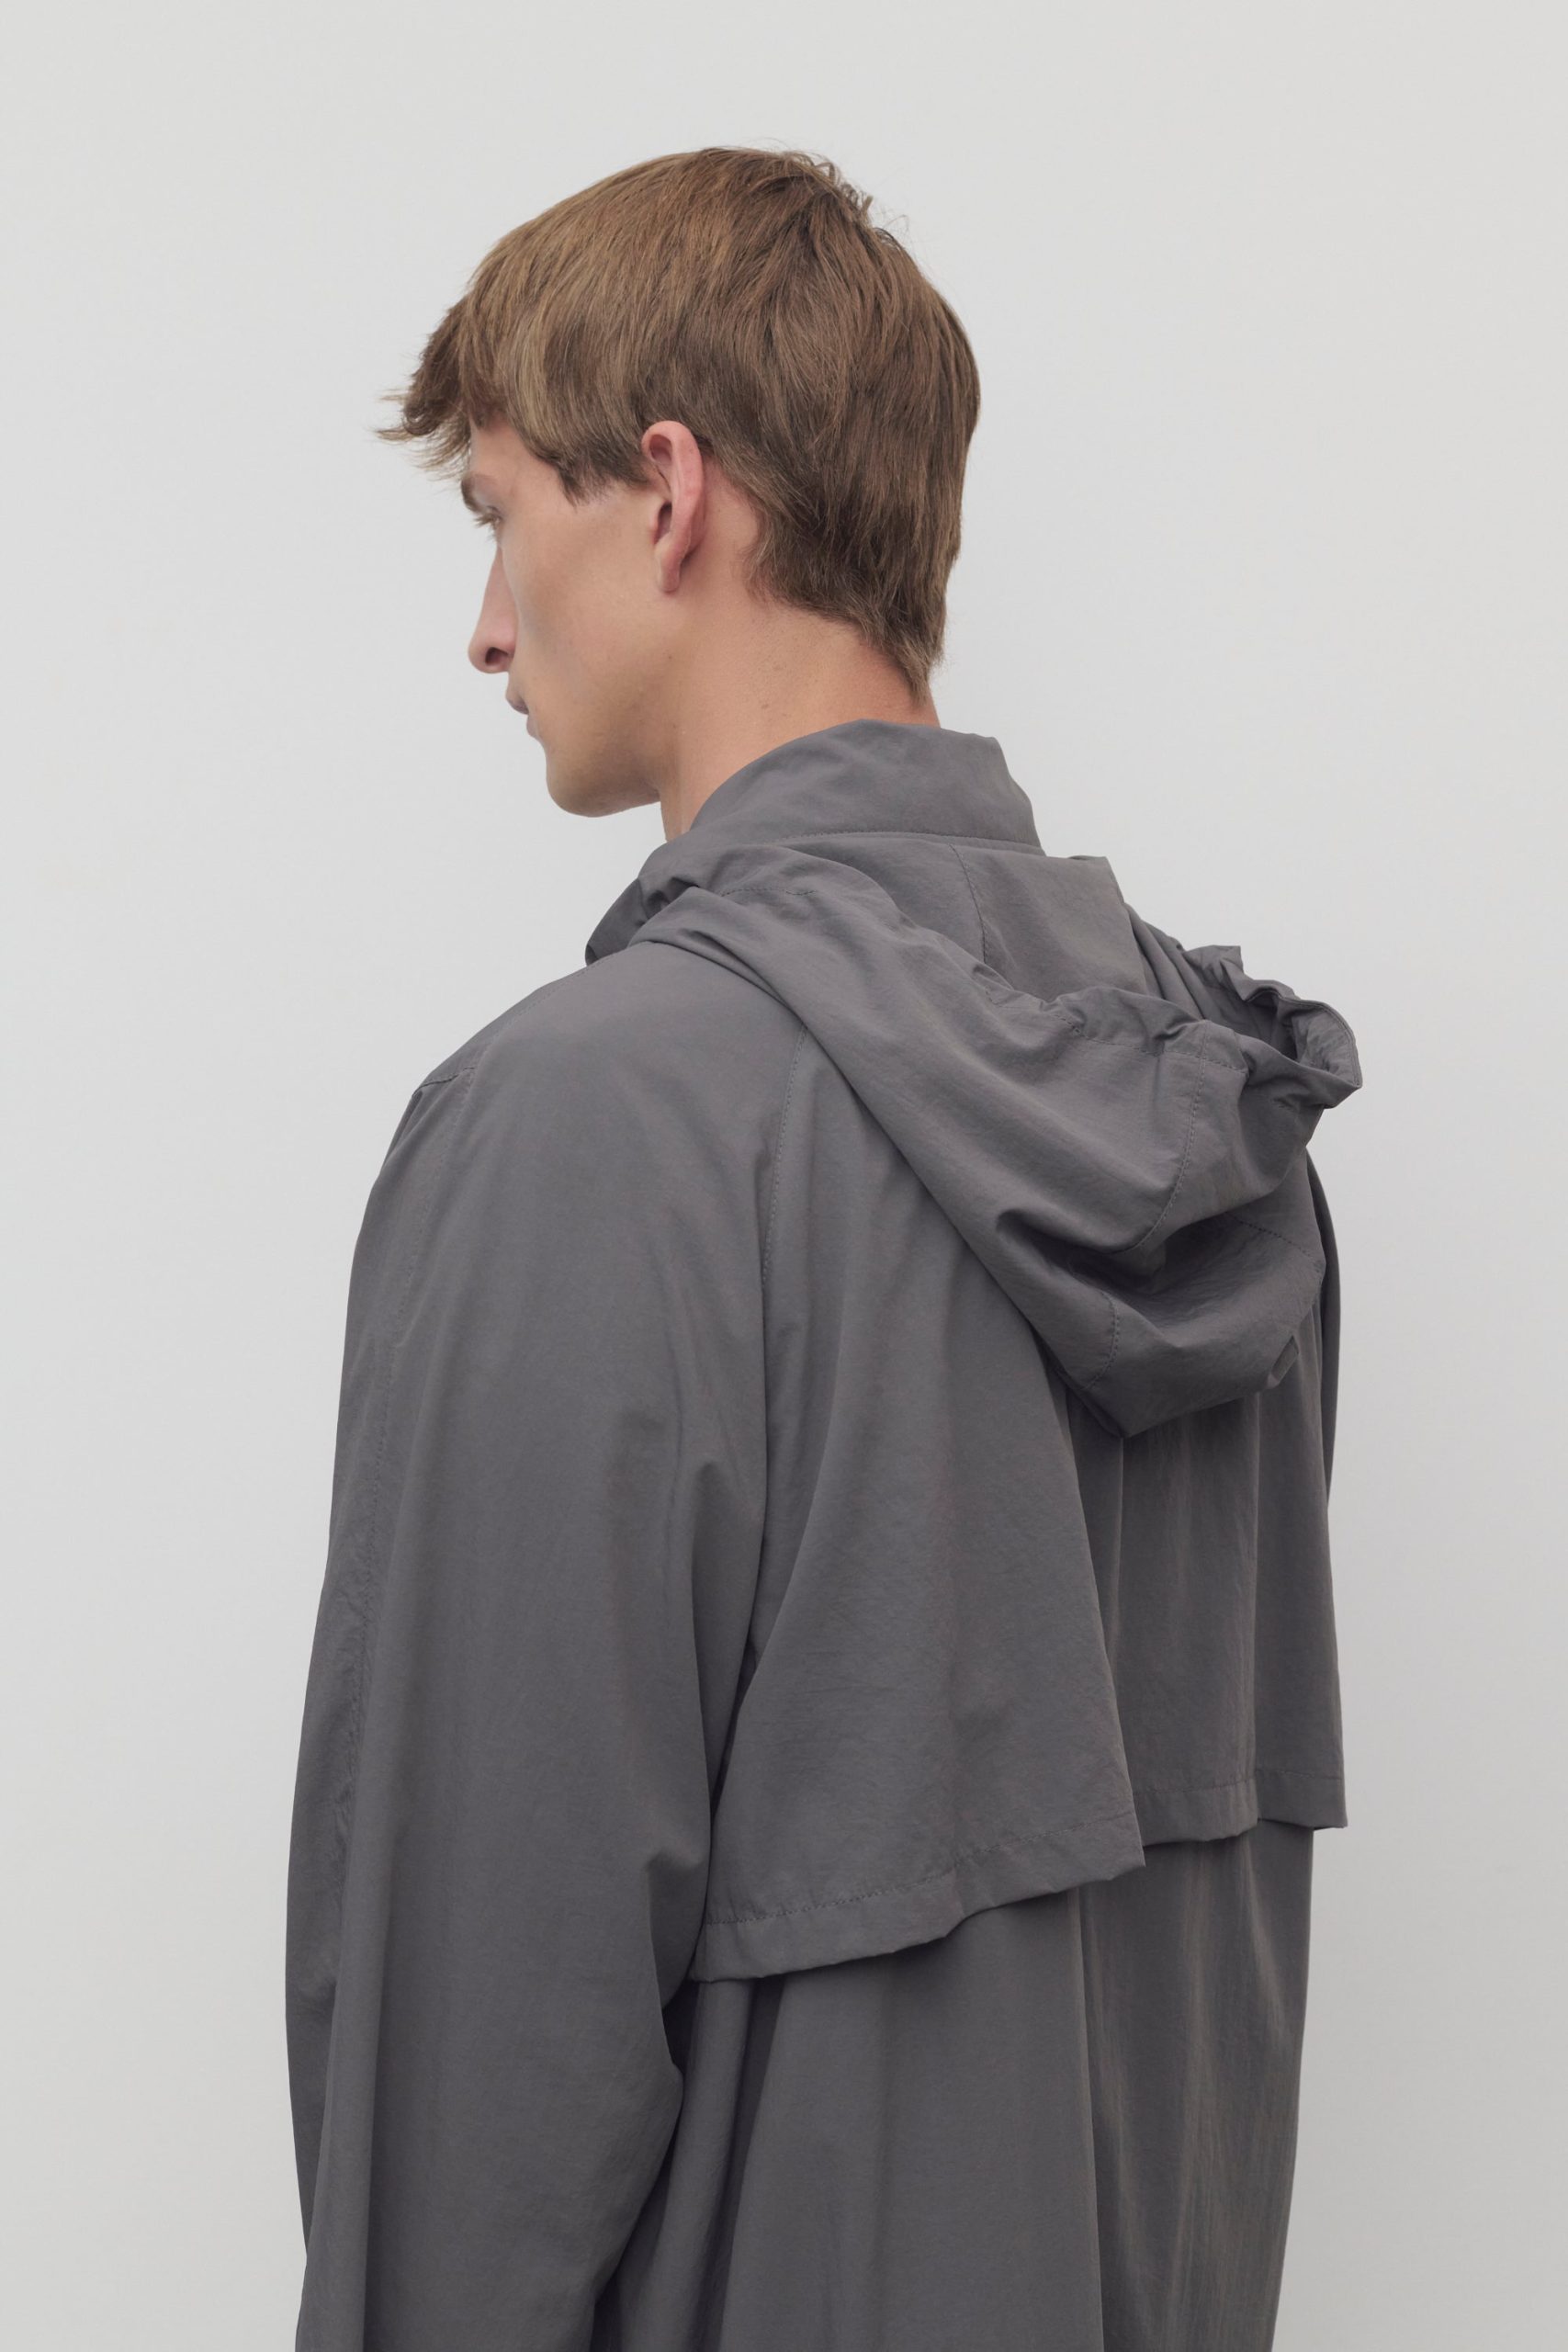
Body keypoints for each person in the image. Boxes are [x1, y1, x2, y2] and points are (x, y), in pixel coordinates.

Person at [284, 145, 1362, 2352]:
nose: (484, 622)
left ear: (666, 492)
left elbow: (479, 2050)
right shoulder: (1223, 1136)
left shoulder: (594, 1125)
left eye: (499, 512)